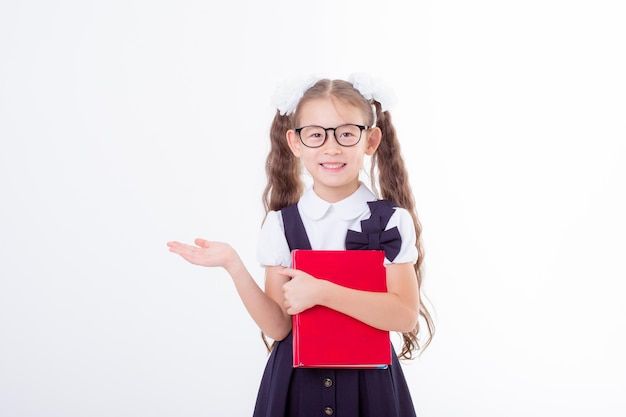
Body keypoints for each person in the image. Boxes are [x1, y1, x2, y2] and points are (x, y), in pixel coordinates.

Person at [167, 73, 434, 417]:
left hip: (371, 384)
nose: (331, 147)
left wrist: (323, 292)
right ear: (295, 143)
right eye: (316, 135)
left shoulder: (392, 221)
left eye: (347, 133)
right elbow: (279, 326)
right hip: (295, 384)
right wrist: (233, 264)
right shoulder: (280, 224)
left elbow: (404, 315)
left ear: (371, 140)